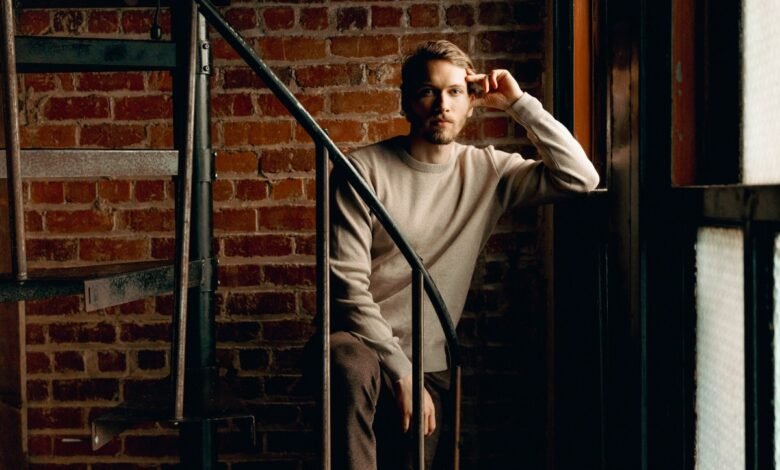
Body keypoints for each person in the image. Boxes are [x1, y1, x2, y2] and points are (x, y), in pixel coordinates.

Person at [327, 40, 599, 469]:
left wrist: (518, 103)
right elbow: (346, 287)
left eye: (455, 91)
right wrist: (400, 370)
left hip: (430, 361)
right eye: (427, 92)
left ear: (473, 102)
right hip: (359, 347)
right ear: (405, 100)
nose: (442, 104)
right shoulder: (362, 170)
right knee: (349, 364)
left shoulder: (487, 171)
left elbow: (580, 178)